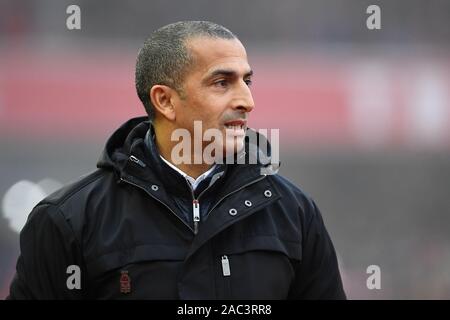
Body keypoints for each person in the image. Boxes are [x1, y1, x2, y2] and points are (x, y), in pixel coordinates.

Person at [8, 21, 346, 299]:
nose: (247, 100)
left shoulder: (295, 211)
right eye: (222, 82)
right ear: (165, 101)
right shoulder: (67, 220)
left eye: (247, 80)